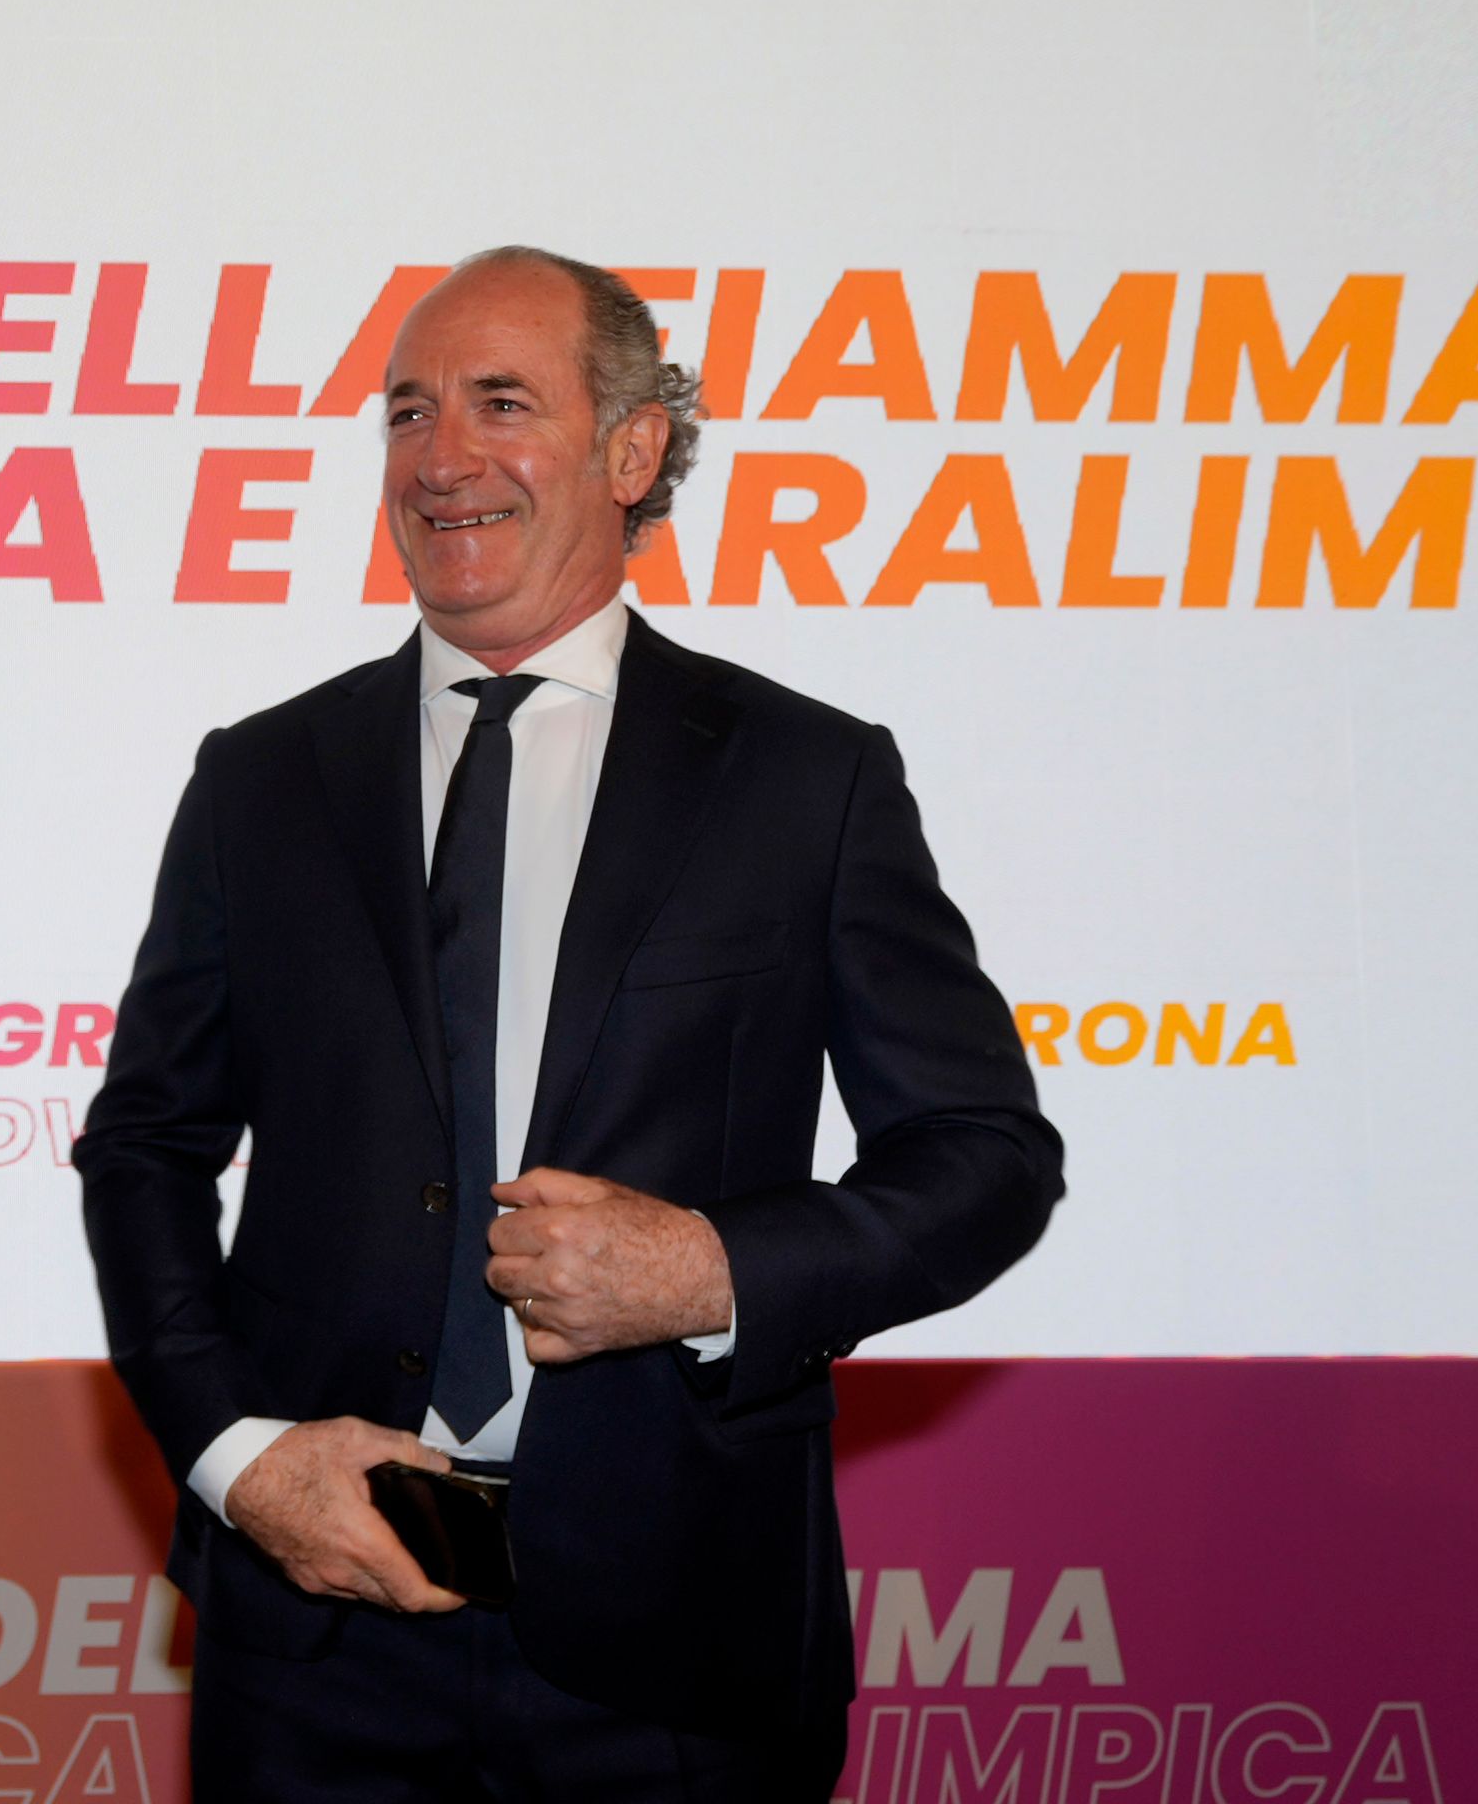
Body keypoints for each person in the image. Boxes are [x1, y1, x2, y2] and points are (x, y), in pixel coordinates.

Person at [76, 248, 1063, 1799]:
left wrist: (716, 1269)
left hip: (680, 1653)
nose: (440, 458)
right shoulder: (260, 781)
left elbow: (985, 1157)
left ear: (631, 448)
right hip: (321, 1625)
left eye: (499, 404)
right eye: (408, 415)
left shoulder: (808, 781)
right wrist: (233, 1455)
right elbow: (143, 1147)